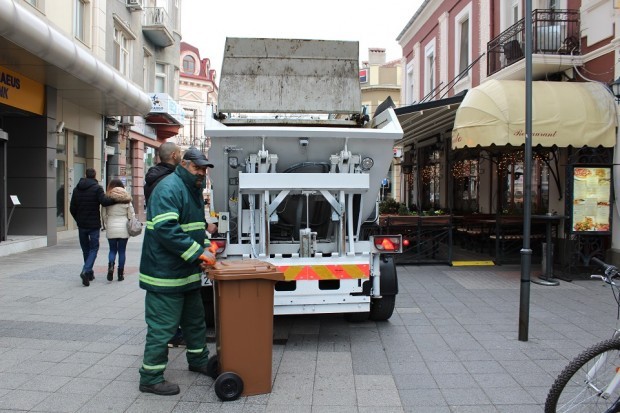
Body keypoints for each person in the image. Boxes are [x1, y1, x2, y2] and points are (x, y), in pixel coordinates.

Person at [138, 147, 215, 396]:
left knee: (195, 322)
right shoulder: (168, 188)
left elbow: (196, 228)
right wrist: (199, 254)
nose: (201, 173)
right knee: (162, 328)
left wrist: (204, 247)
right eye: (197, 167)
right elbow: (166, 230)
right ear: (183, 164)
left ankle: (199, 361)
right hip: (164, 275)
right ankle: (150, 377)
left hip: (185, 274)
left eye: (204, 169)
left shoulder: (191, 190)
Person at [70, 168, 121, 287]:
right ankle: (85, 270)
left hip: (81, 225)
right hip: (93, 225)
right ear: (95, 176)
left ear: (85, 175)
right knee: (94, 248)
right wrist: (116, 199)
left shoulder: (76, 189)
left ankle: (89, 273)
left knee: (85, 249)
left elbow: (72, 208)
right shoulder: (97, 188)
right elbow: (104, 201)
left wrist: (78, 219)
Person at [102, 179, 134, 282]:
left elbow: (103, 214)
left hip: (111, 226)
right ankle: (120, 274)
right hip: (123, 227)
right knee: (122, 251)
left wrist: (107, 223)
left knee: (112, 250)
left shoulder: (107, 198)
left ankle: (110, 268)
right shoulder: (127, 199)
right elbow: (131, 214)